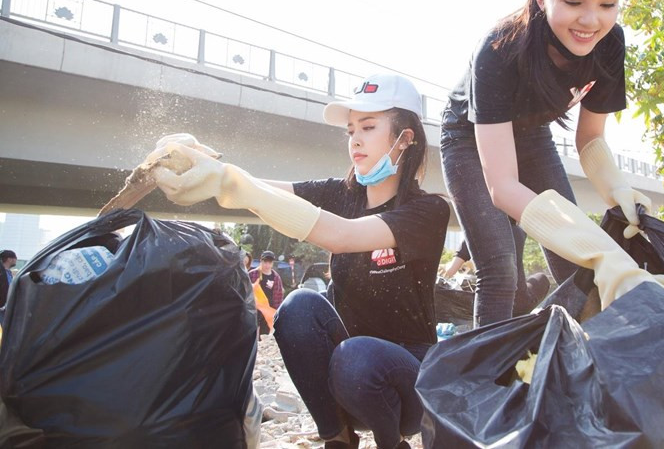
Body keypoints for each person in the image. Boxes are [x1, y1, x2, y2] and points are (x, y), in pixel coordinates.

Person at [147, 73, 450, 449]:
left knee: (357, 355)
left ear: (407, 137)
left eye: (369, 127)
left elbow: (342, 235)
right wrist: (209, 164)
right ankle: (337, 437)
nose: (355, 138)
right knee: (298, 306)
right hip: (345, 377)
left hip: (407, 382)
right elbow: (267, 189)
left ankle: (393, 445)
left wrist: (231, 183)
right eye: (351, 129)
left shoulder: (429, 210)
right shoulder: (340, 194)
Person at [440, 0, 664, 327]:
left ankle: (592, 372)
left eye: (607, 4)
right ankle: (482, 383)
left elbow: (591, 139)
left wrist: (617, 190)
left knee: (577, 270)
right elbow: (503, 187)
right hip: (466, 137)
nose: (590, 20)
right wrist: (597, 248)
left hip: (531, 134)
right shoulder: (499, 50)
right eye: (573, 1)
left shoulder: (610, 44)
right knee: (500, 268)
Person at [442, 229, 550, 317]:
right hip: (516, 302)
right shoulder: (519, 228)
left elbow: (475, 231)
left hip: (486, 301)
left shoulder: (488, 222)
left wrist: (455, 264)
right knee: (541, 278)